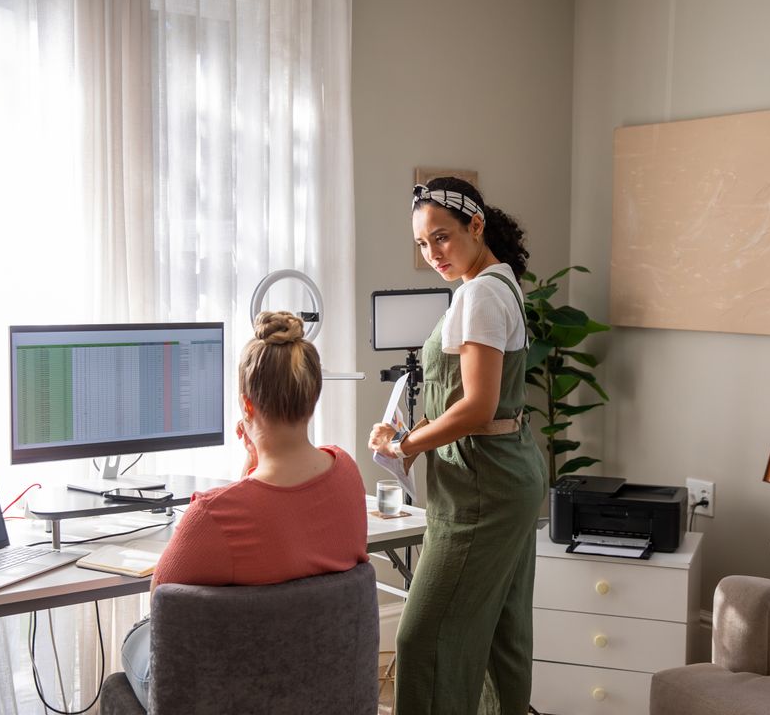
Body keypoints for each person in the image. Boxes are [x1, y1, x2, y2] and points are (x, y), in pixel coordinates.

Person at [121, 311, 368, 710]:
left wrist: (248, 470)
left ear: (246, 405)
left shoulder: (215, 515)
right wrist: (254, 466)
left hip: (228, 697)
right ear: (314, 395)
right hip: (315, 688)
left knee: (139, 636)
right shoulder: (347, 472)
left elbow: (161, 605)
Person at [368, 177, 546, 715]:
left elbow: (476, 407)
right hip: (508, 476)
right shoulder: (501, 282)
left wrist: (406, 443)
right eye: (423, 244)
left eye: (442, 237)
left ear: (476, 225)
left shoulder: (480, 295)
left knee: (422, 639)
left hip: (481, 489)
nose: (433, 254)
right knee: (501, 634)